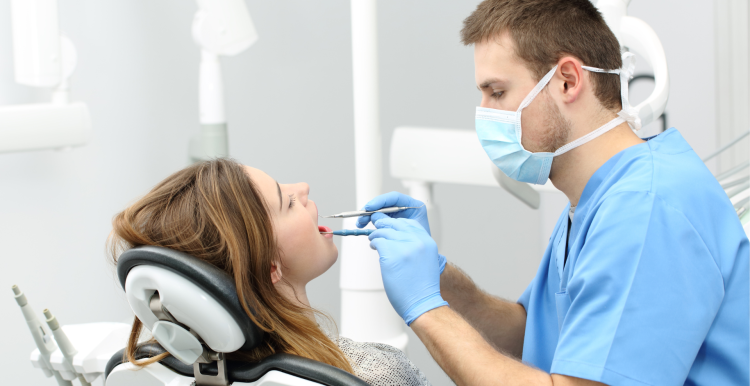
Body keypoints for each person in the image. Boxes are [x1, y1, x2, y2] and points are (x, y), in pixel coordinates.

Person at [357, 0, 750, 385]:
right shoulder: (597, 198)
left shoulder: (644, 209)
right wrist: (436, 276)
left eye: (496, 93)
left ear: (567, 80)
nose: (485, 114)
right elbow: (531, 333)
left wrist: (426, 310)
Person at [108, 158, 431, 386]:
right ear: (270, 267)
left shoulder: (151, 371)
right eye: (288, 202)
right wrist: (430, 303)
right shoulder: (374, 373)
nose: (303, 187)